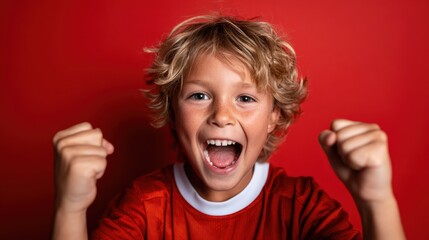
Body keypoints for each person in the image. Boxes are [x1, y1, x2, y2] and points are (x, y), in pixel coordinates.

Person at [52, 15, 405, 239]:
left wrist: (377, 202)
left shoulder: (300, 206)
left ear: (274, 117)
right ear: (173, 113)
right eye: (200, 95)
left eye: (245, 99)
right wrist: (70, 207)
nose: (222, 115)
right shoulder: (145, 207)